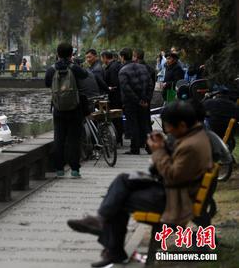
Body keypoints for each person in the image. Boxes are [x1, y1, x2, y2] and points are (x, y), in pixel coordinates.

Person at [67, 101, 212, 267]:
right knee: (122, 180)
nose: (168, 131)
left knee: (120, 199)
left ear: (182, 124)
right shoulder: (194, 135)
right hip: (176, 190)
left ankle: (112, 247)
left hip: (176, 199)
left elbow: (173, 176)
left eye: (169, 127)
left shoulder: (191, 145)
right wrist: (164, 146)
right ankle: (103, 222)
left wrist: (158, 151)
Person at [45, 42, 89, 178]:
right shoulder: (74, 68)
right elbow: (85, 75)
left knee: (59, 138)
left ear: (57, 54)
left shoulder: (52, 69)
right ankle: (75, 170)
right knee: (74, 139)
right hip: (75, 108)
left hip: (58, 108)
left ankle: (59, 169)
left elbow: (47, 83)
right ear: (71, 54)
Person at [118, 47, 153, 155]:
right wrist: (146, 99)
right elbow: (150, 84)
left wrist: (137, 101)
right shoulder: (143, 68)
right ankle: (150, 146)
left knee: (133, 124)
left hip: (131, 102)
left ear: (123, 57)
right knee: (144, 124)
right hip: (144, 101)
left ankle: (135, 148)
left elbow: (126, 89)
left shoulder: (123, 71)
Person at [101, 50, 123, 145]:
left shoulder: (112, 68)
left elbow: (114, 84)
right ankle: (118, 138)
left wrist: (108, 88)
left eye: (102, 58)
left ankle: (117, 139)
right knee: (118, 118)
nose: (102, 60)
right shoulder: (116, 65)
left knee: (115, 118)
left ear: (105, 57)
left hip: (115, 97)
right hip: (118, 96)